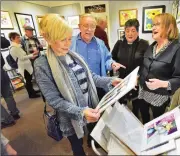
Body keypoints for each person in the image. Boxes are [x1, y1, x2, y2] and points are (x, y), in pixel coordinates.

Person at [34, 14, 121, 156]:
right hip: (71, 117)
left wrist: (110, 80)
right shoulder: (42, 64)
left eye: (69, 39)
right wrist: (80, 112)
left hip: (90, 107)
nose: (68, 44)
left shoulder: (72, 55)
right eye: (63, 40)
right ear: (49, 39)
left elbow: (90, 77)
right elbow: (54, 100)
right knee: (77, 147)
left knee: (94, 133)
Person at [137, 13, 180, 124]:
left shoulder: (179, 51)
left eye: (157, 24)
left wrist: (162, 84)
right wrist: (137, 77)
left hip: (159, 97)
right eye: (153, 25)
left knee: (157, 122)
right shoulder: (151, 46)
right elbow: (144, 67)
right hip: (143, 91)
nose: (153, 28)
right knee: (144, 118)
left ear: (169, 27)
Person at [70, 13, 125, 100]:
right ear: (79, 26)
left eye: (92, 26)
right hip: (79, 87)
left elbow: (107, 59)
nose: (89, 29)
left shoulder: (100, 43)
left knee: (99, 110)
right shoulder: (70, 43)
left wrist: (111, 64)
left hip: (98, 85)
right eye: (86, 25)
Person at [112, 18, 149, 118]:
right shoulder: (119, 43)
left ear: (137, 31)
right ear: (124, 31)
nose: (130, 34)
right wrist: (114, 65)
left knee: (136, 107)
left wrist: (139, 76)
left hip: (136, 80)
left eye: (133, 30)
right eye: (127, 31)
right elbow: (112, 58)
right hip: (122, 80)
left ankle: (135, 119)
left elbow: (147, 64)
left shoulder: (144, 44)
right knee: (121, 106)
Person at [8, 32, 40, 98]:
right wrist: (32, 55)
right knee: (28, 81)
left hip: (26, 65)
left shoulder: (18, 46)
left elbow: (23, 56)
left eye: (19, 37)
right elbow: (22, 58)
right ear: (12, 39)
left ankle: (32, 91)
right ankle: (31, 94)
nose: (19, 39)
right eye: (17, 37)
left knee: (29, 80)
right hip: (23, 67)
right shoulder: (14, 48)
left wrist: (31, 56)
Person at [1, 36, 20, 128]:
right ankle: (15, 113)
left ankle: (7, 120)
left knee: (8, 94)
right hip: (1, 70)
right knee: (8, 94)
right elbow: (6, 43)